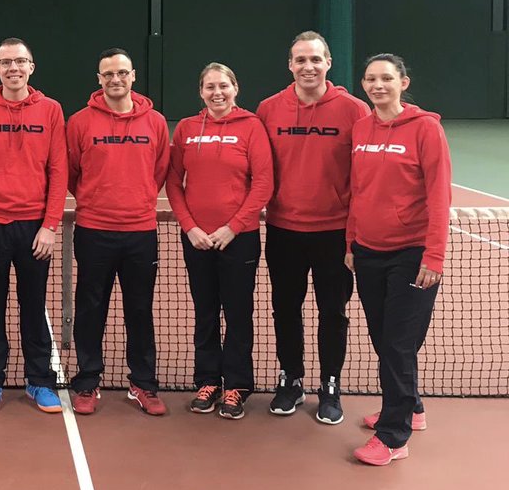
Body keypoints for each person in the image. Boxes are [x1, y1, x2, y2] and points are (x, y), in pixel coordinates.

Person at [258, 31, 370, 424]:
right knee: (285, 308)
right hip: (284, 230)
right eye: (300, 60)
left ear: (328, 63)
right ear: (290, 65)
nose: (308, 66)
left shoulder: (355, 110)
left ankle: (330, 384)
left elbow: (365, 176)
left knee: (332, 312)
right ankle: (290, 379)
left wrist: (355, 236)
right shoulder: (269, 109)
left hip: (334, 234)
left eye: (315, 59)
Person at [346, 54, 450, 465]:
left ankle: (393, 436)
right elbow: (358, 189)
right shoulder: (360, 128)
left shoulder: (426, 128)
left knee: (397, 345)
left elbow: (440, 195)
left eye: (386, 78)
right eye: (371, 79)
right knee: (381, 337)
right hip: (368, 251)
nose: (378, 85)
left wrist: (434, 255)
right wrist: (352, 242)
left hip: (411, 254)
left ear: (403, 82)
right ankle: (412, 408)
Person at [0, 37, 67, 414]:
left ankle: (40, 381)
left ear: (31, 67)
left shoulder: (51, 110)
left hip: (35, 229)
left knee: (33, 307)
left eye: (20, 61)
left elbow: (59, 170)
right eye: (6, 63)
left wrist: (50, 225)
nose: (13, 68)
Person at [66, 48, 170, 416]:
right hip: (94, 231)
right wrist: (97, 201)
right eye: (108, 73)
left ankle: (143, 384)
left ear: (133, 75)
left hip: (140, 232)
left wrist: (137, 200)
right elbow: (73, 173)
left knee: (140, 310)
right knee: (90, 308)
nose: (115, 79)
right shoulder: (79, 122)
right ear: (99, 78)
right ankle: (87, 382)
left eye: (122, 73)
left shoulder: (155, 121)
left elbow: (159, 171)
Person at [167, 63, 273, 419]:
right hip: (197, 240)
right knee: (205, 312)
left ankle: (238, 386)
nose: (217, 92)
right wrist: (189, 227)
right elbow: (173, 182)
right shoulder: (185, 129)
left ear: (235, 88)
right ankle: (208, 381)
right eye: (210, 86)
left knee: (238, 313)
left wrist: (234, 226)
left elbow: (263, 184)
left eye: (224, 85)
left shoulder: (252, 126)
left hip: (238, 239)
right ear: (201, 91)